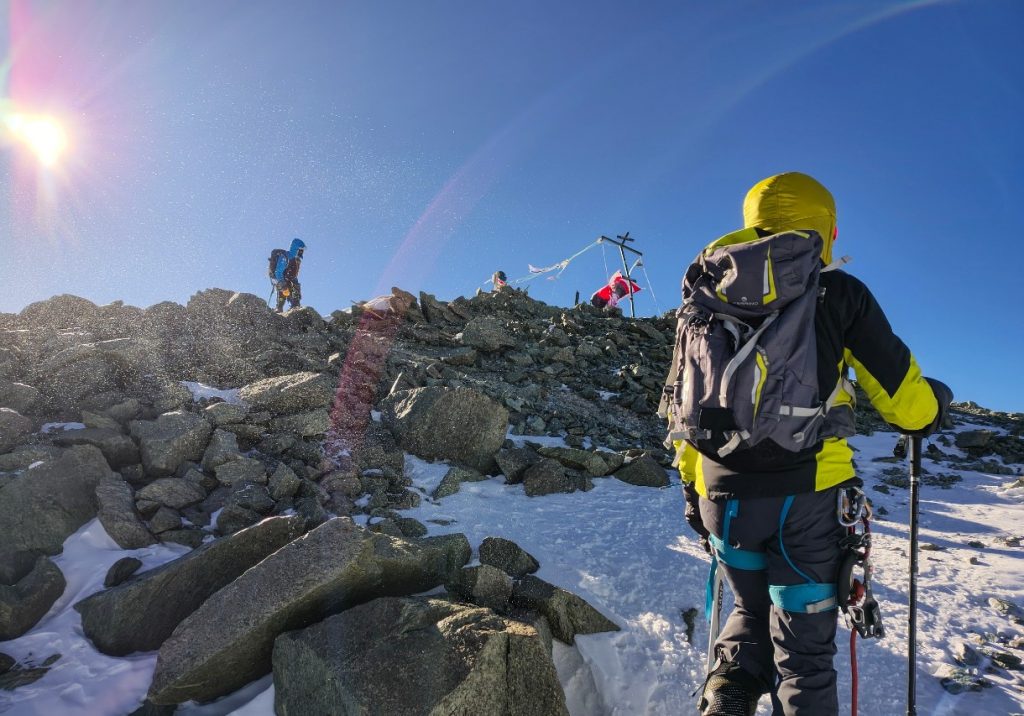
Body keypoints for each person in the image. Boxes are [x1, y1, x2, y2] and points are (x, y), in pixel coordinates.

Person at [664, 172, 952, 715]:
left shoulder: (705, 296)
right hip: (809, 502)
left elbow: (684, 404)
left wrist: (690, 490)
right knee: (804, 655)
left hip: (720, 498)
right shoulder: (838, 293)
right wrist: (934, 404)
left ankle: (726, 698)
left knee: (749, 612)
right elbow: (904, 405)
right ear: (827, 228)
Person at [273, 238, 305, 312]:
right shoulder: (285, 257)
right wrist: (283, 285)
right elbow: (278, 272)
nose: (302, 252)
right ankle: (279, 307)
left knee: (295, 287)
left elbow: (293, 275)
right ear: (297, 249)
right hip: (283, 280)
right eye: (301, 250)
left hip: (290, 280)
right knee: (283, 291)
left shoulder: (295, 259)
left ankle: (295, 305)